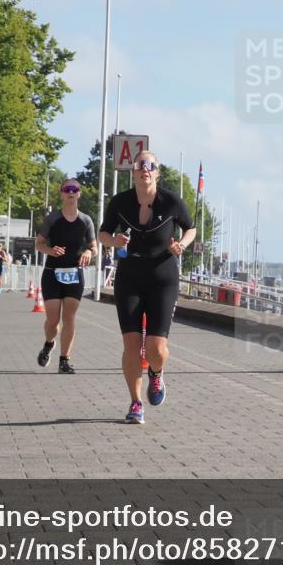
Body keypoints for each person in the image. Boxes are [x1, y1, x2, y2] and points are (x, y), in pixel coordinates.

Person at [98, 151, 196, 424]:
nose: (145, 170)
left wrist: (182, 245)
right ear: (134, 172)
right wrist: (113, 241)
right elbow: (102, 233)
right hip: (129, 275)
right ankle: (135, 403)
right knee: (131, 345)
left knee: (156, 349)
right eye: (140, 165)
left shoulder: (171, 201)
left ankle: (156, 373)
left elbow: (191, 228)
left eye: (150, 166)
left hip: (162, 276)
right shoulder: (120, 202)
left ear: (157, 172)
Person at [35, 178, 97, 374]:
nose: (71, 192)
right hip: (53, 273)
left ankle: (64, 360)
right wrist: (50, 250)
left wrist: (88, 252)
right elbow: (39, 243)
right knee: (53, 321)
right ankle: (48, 343)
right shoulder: (53, 218)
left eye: (74, 189)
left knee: (69, 318)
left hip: (74, 273)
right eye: (66, 189)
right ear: (62, 193)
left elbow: (94, 247)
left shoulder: (86, 220)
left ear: (79, 193)